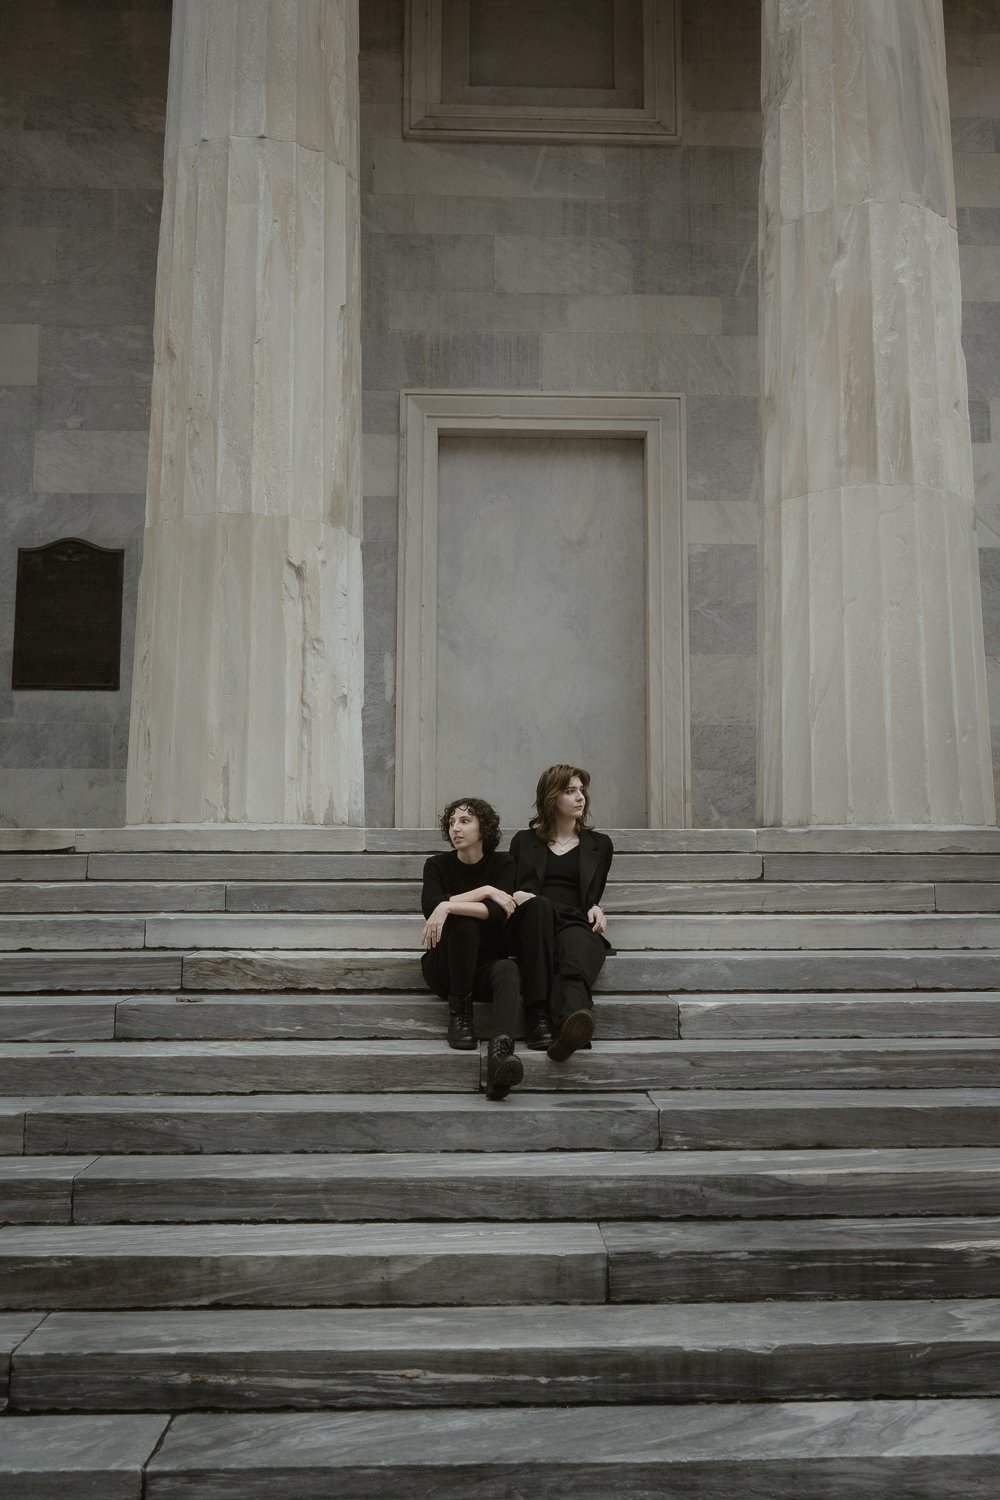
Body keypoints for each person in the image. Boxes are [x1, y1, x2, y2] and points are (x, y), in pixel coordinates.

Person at [420, 796, 524, 1101]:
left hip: (484, 968)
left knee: (509, 967)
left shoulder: (503, 863)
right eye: (452, 822)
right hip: (445, 968)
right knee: (464, 924)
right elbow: (430, 907)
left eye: (465, 821)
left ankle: (500, 1055)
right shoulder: (436, 865)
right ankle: (460, 1016)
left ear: (484, 828)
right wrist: (487, 891)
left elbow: (498, 912)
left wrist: (449, 905)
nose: (456, 828)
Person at [508, 764, 614, 1062]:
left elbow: (592, 895)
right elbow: (512, 891)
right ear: (552, 797)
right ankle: (537, 1014)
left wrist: (595, 907)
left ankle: (571, 1026)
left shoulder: (600, 845)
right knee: (540, 906)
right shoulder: (523, 842)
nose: (580, 797)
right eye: (570, 791)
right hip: (534, 921)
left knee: (574, 953)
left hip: (573, 920)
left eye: (582, 790)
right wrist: (516, 895)